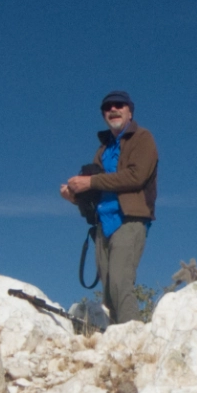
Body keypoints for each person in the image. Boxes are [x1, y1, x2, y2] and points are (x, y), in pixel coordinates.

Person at [60, 90, 159, 324]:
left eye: (119, 105)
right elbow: (95, 192)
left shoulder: (143, 138)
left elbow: (136, 176)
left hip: (130, 219)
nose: (113, 110)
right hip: (103, 223)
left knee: (119, 281)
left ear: (130, 111)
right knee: (108, 289)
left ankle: (133, 340)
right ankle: (117, 339)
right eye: (108, 107)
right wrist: (75, 196)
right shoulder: (103, 150)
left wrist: (90, 182)